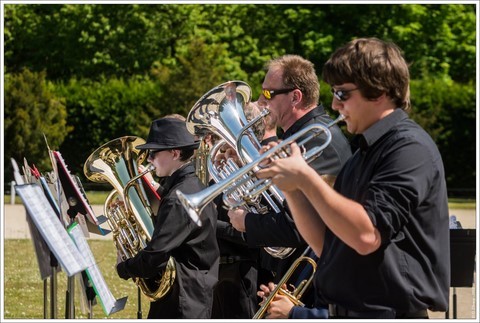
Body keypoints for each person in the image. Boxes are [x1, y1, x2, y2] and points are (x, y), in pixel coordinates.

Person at [256, 37, 450, 319]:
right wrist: (292, 187)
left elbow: (366, 235)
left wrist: (306, 178)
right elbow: (326, 244)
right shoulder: (362, 155)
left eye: (342, 94)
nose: (334, 105)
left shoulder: (409, 149)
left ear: (379, 91)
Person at [228, 55, 352, 288]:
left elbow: (298, 224)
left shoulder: (316, 140)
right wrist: (244, 165)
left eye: (268, 94)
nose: (261, 101)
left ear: (295, 97)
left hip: (316, 276)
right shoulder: (300, 135)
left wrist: (248, 221)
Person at [116, 116, 220, 319]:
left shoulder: (179, 197)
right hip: (191, 295)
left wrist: (124, 267)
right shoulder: (191, 187)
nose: (148, 159)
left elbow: (155, 255)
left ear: (175, 153)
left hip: (181, 300)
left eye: (153, 153)